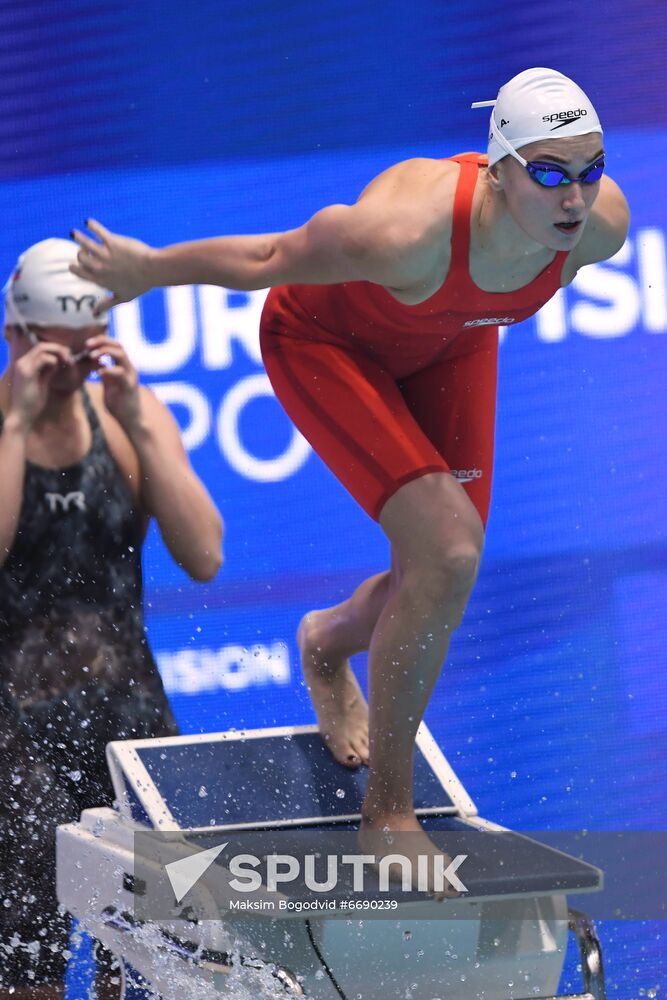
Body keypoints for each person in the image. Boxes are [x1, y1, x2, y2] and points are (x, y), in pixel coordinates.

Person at [70, 68, 629, 890]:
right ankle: (387, 814)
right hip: (323, 341)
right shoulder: (405, 231)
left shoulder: (597, 230)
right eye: (548, 171)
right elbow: (270, 256)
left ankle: (326, 642)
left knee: (441, 571)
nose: (574, 195)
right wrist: (148, 268)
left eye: (589, 168)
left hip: (451, 342)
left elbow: (487, 295)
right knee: (445, 551)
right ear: (499, 165)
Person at [0, 238, 224, 996]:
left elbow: (203, 555)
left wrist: (132, 413)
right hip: (13, 748)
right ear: (16, 337)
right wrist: (12, 426)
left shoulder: (130, 411)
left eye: (85, 351)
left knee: (149, 969)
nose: (70, 372)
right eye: (53, 355)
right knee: (25, 970)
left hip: (131, 729)